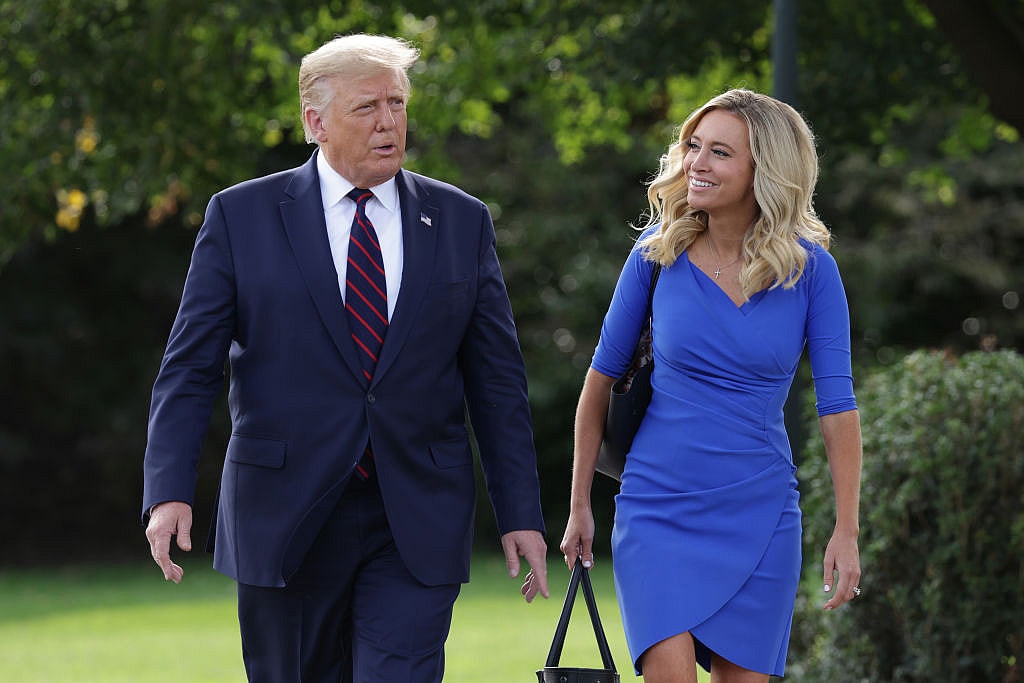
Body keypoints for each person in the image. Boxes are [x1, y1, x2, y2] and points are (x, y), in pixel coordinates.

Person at [142, 33, 549, 683]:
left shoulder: (461, 221)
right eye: (367, 108)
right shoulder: (240, 217)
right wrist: (167, 491)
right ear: (315, 121)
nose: (389, 122)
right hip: (284, 514)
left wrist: (521, 512)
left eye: (398, 103)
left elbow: (497, 382)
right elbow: (190, 369)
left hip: (416, 516)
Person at [558, 89, 863, 683]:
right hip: (657, 508)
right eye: (692, 147)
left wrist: (846, 531)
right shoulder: (654, 257)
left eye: (719, 152)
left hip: (761, 512)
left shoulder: (812, 273)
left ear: (764, 171)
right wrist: (578, 507)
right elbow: (599, 382)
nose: (696, 162)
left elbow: (838, 406)